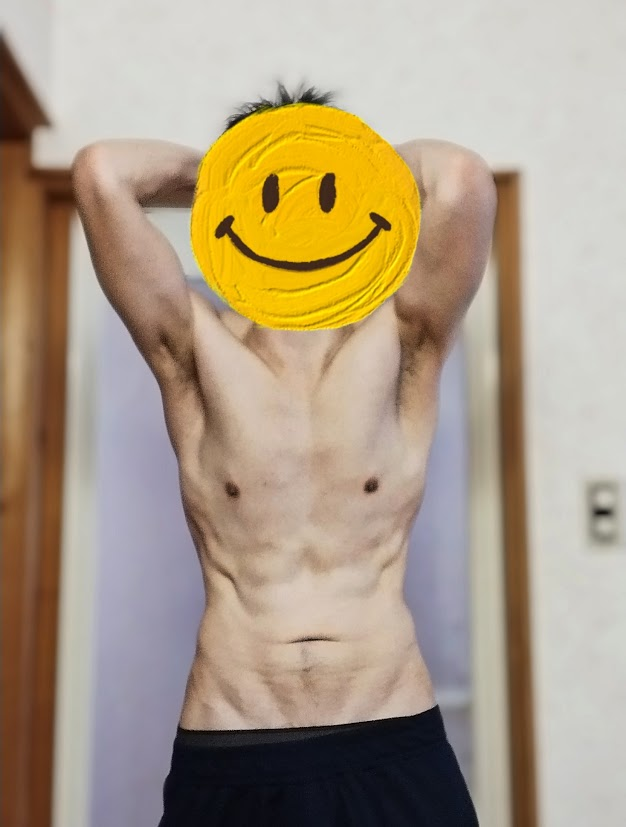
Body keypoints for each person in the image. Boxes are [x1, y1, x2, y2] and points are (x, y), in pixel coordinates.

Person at [72, 84, 496, 826]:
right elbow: (101, 174)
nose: (300, 215)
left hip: (389, 726)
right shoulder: (195, 350)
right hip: (232, 733)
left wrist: (343, 169)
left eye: (319, 196)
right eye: (277, 197)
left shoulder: (403, 341)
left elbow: (460, 180)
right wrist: (240, 173)